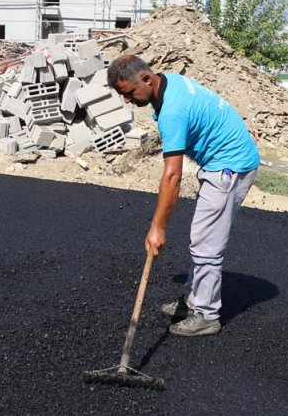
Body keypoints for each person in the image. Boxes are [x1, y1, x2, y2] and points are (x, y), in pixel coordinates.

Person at [107, 54, 259, 337]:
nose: (127, 101)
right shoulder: (168, 82)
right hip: (223, 159)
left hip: (230, 166)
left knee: (206, 242)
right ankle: (193, 300)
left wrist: (157, 227)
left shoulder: (172, 112)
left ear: (146, 79)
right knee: (201, 235)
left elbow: (173, 176)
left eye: (128, 94)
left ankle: (206, 314)